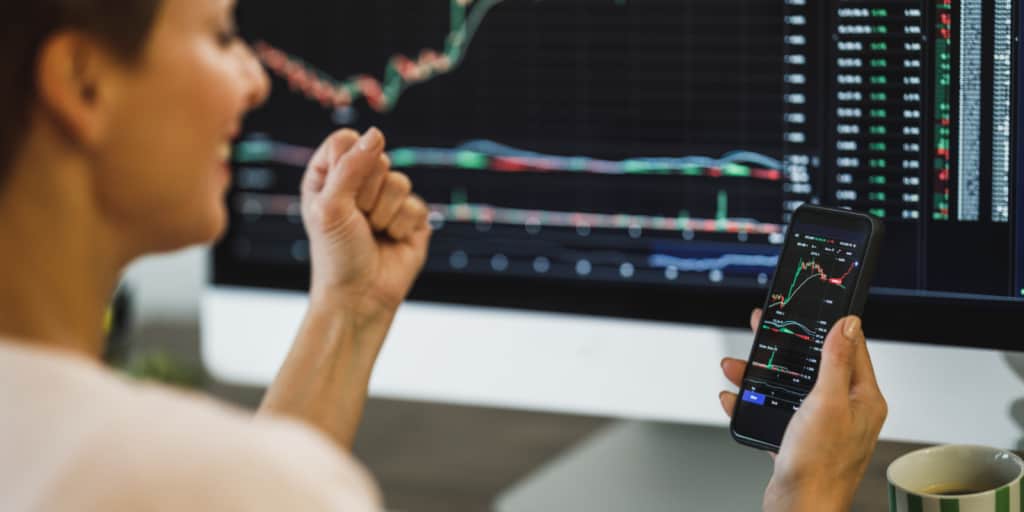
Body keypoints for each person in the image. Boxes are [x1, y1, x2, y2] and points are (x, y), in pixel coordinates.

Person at [0, 0, 887, 510]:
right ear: (83, 83)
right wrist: (811, 490)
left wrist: (348, 312)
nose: (257, 79)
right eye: (218, 34)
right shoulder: (191, 480)